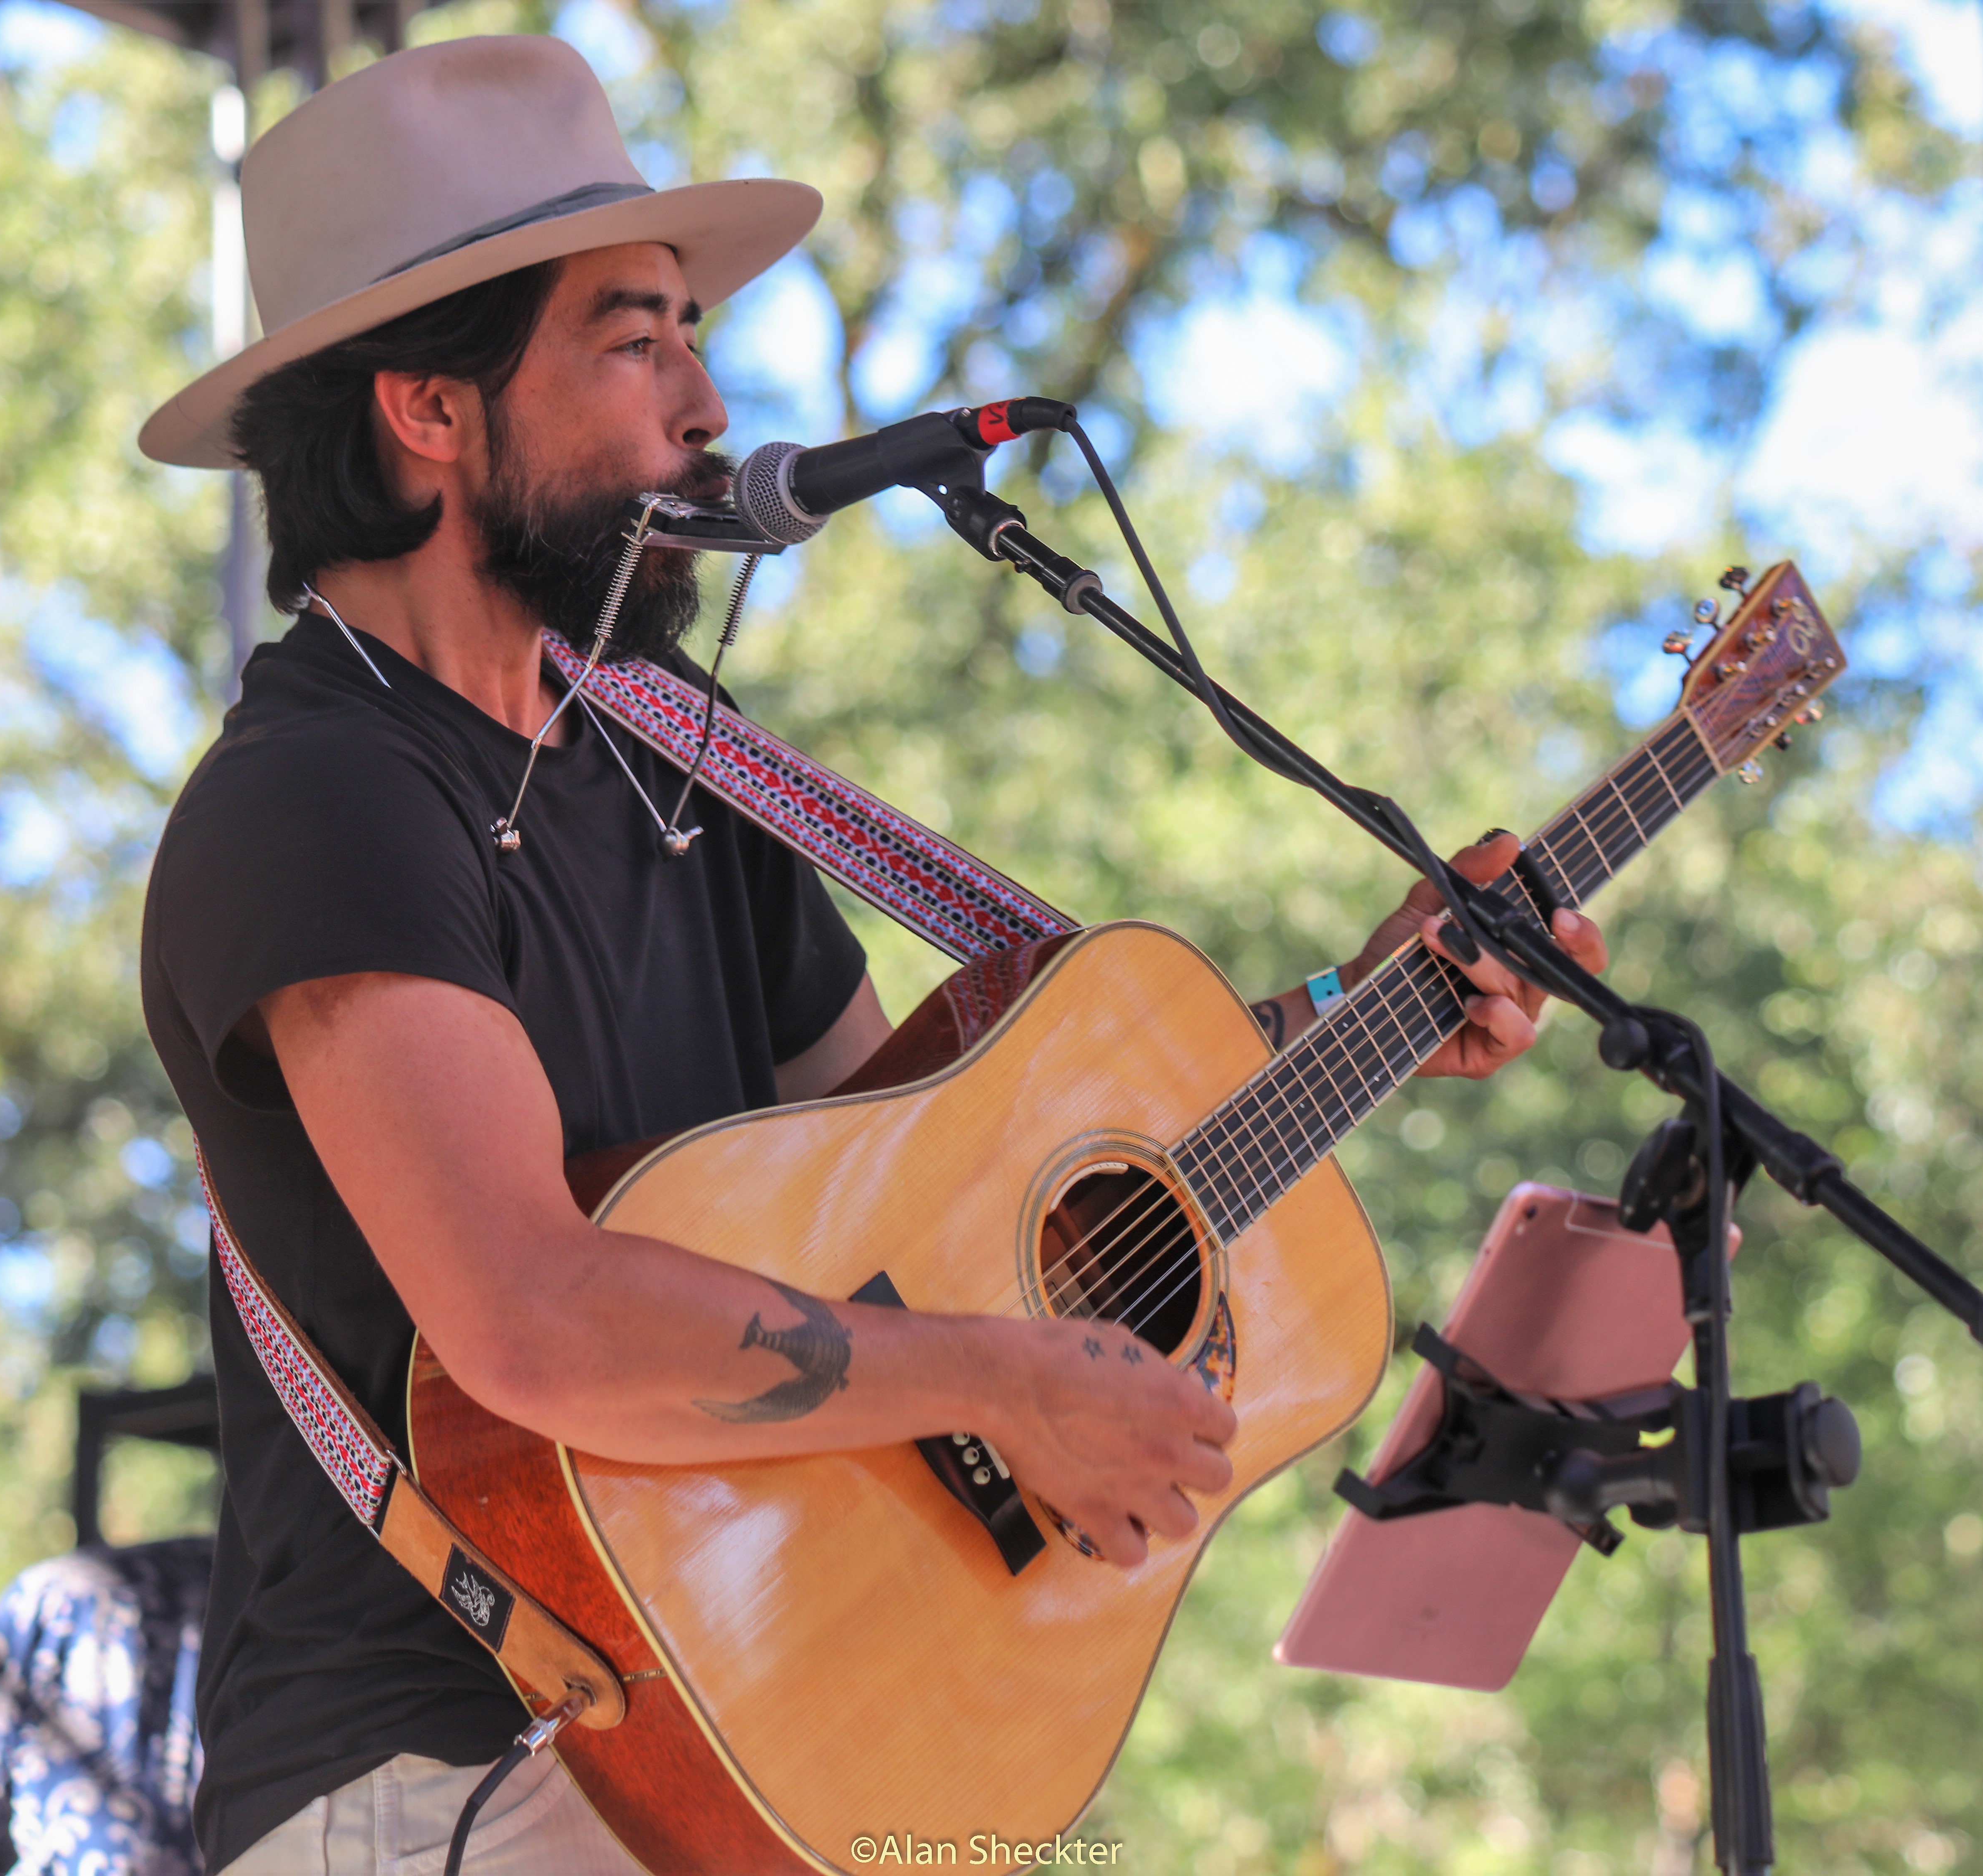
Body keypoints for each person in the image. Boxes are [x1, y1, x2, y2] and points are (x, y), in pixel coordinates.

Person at [138, 33, 1609, 1876]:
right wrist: (1010, 1382)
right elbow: (534, 1315)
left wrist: (1353, 1015)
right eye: (636, 336)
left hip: (736, 1737)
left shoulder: (666, 744)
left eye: (690, 331)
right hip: (448, 1781)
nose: (708, 399)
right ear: (430, 411)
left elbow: (937, 1167)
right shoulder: (322, 798)